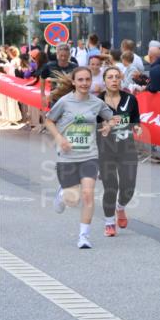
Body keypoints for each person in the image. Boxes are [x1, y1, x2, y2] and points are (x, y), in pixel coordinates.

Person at [44, 67, 119, 249]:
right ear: (74, 82)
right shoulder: (64, 102)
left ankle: (83, 236)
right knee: (72, 199)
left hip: (90, 156)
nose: (84, 83)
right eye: (80, 80)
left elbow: (113, 118)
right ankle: (63, 193)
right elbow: (48, 120)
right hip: (67, 157)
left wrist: (109, 126)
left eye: (87, 80)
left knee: (87, 194)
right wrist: (59, 138)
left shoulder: (96, 103)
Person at [97, 66, 141, 237]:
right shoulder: (97, 102)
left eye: (117, 77)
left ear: (121, 79)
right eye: (110, 77)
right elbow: (91, 126)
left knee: (128, 187)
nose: (114, 80)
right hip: (105, 150)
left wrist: (137, 127)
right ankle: (109, 222)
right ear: (105, 80)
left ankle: (120, 207)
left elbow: (136, 119)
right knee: (111, 187)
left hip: (126, 148)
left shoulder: (130, 99)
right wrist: (105, 127)